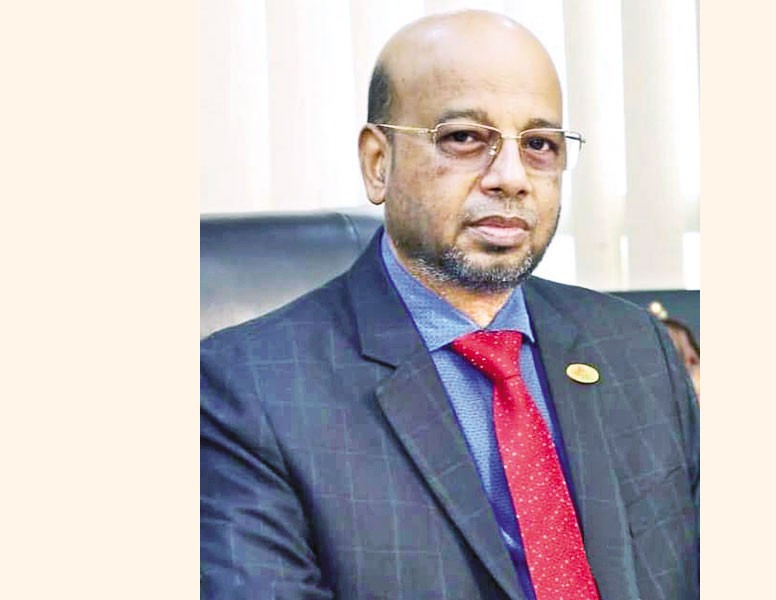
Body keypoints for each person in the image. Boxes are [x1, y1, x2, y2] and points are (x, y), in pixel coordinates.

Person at [201, 10, 699, 600]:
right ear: (378, 163)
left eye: (539, 145)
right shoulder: (249, 391)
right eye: (464, 138)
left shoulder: (637, 347)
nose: (511, 177)